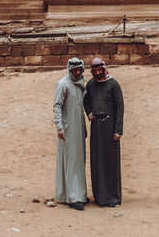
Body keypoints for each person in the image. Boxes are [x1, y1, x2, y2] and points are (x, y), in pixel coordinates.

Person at [84, 56, 124, 207]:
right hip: (97, 128)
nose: (97, 72)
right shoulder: (90, 85)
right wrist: (89, 113)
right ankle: (100, 197)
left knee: (111, 162)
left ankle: (113, 197)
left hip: (110, 127)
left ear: (104, 68)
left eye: (99, 69)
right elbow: (86, 101)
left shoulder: (113, 85)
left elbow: (120, 107)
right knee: (98, 161)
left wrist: (118, 130)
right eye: (95, 70)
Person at [53, 56, 88, 210]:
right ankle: (73, 197)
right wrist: (59, 127)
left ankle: (80, 193)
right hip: (67, 129)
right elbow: (57, 106)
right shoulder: (63, 85)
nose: (77, 72)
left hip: (78, 127)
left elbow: (81, 107)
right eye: (74, 70)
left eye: (79, 69)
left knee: (79, 161)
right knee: (71, 161)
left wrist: (84, 127)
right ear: (70, 70)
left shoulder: (80, 85)